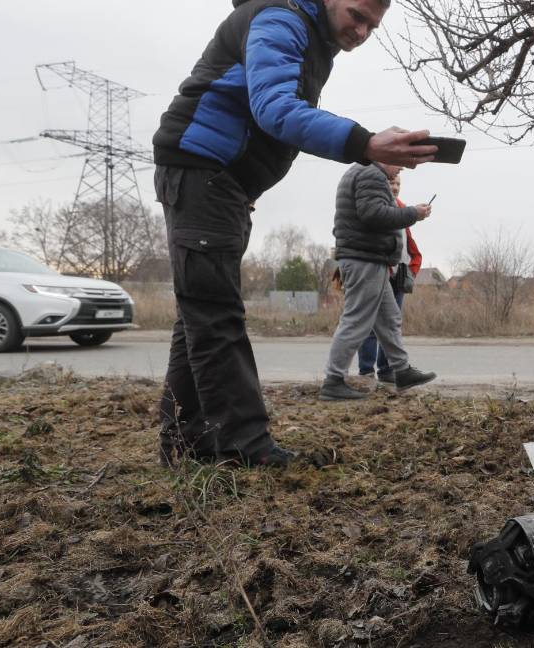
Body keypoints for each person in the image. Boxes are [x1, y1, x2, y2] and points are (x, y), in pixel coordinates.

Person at [152, 0, 437, 468]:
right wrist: (362, 142)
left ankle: (184, 444)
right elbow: (274, 109)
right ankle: (247, 447)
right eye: (357, 15)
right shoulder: (281, 20)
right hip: (203, 171)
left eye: (373, 25)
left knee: (199, 317)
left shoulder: (311, 37)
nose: (362, 32)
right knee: (215, 315)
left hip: (221, 182)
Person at [320, 163, 437, 400]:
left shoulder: (363, 171)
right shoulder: (370, 173)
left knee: (388, 317)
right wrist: (413, 213)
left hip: (371, 259)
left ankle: (401, 370)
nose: (400, 172)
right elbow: (374, 214)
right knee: (356, 320)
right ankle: (333, 380)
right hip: (365, 260)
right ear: (388, 155)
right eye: (400, 165)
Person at [357, 172, 422, 384]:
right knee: (370, 325)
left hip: (399, 273)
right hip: (379, 271)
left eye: (398, 183)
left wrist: (412, 269)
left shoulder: (402, 207)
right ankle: (366, 372)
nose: (395, 187)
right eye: (391, 182)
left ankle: (387, 370)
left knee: (393, 324)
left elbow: (409, 243)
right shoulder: (375, 207)